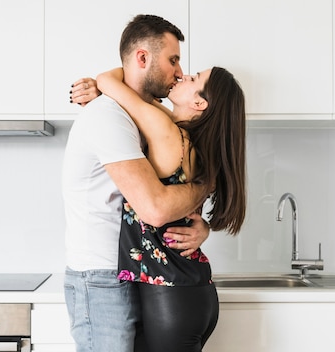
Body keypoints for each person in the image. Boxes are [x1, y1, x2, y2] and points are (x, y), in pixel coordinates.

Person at [61, 14, 212, 352]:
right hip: (101, 277)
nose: (178, 71)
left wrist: (202, 226)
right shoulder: (108, 116)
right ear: (143, 58)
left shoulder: (143, 114)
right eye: (173, 60)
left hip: (130, 271)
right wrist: (204, 186)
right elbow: (155, 208)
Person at [73, 66, 247, 352]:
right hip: (190, 293)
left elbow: (109, 80)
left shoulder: (165, 130)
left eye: (194, 79)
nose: (183, 75)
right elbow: (140, 101)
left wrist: (104, 87)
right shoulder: (191, 140)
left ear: (199, 103)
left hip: (170, 297)